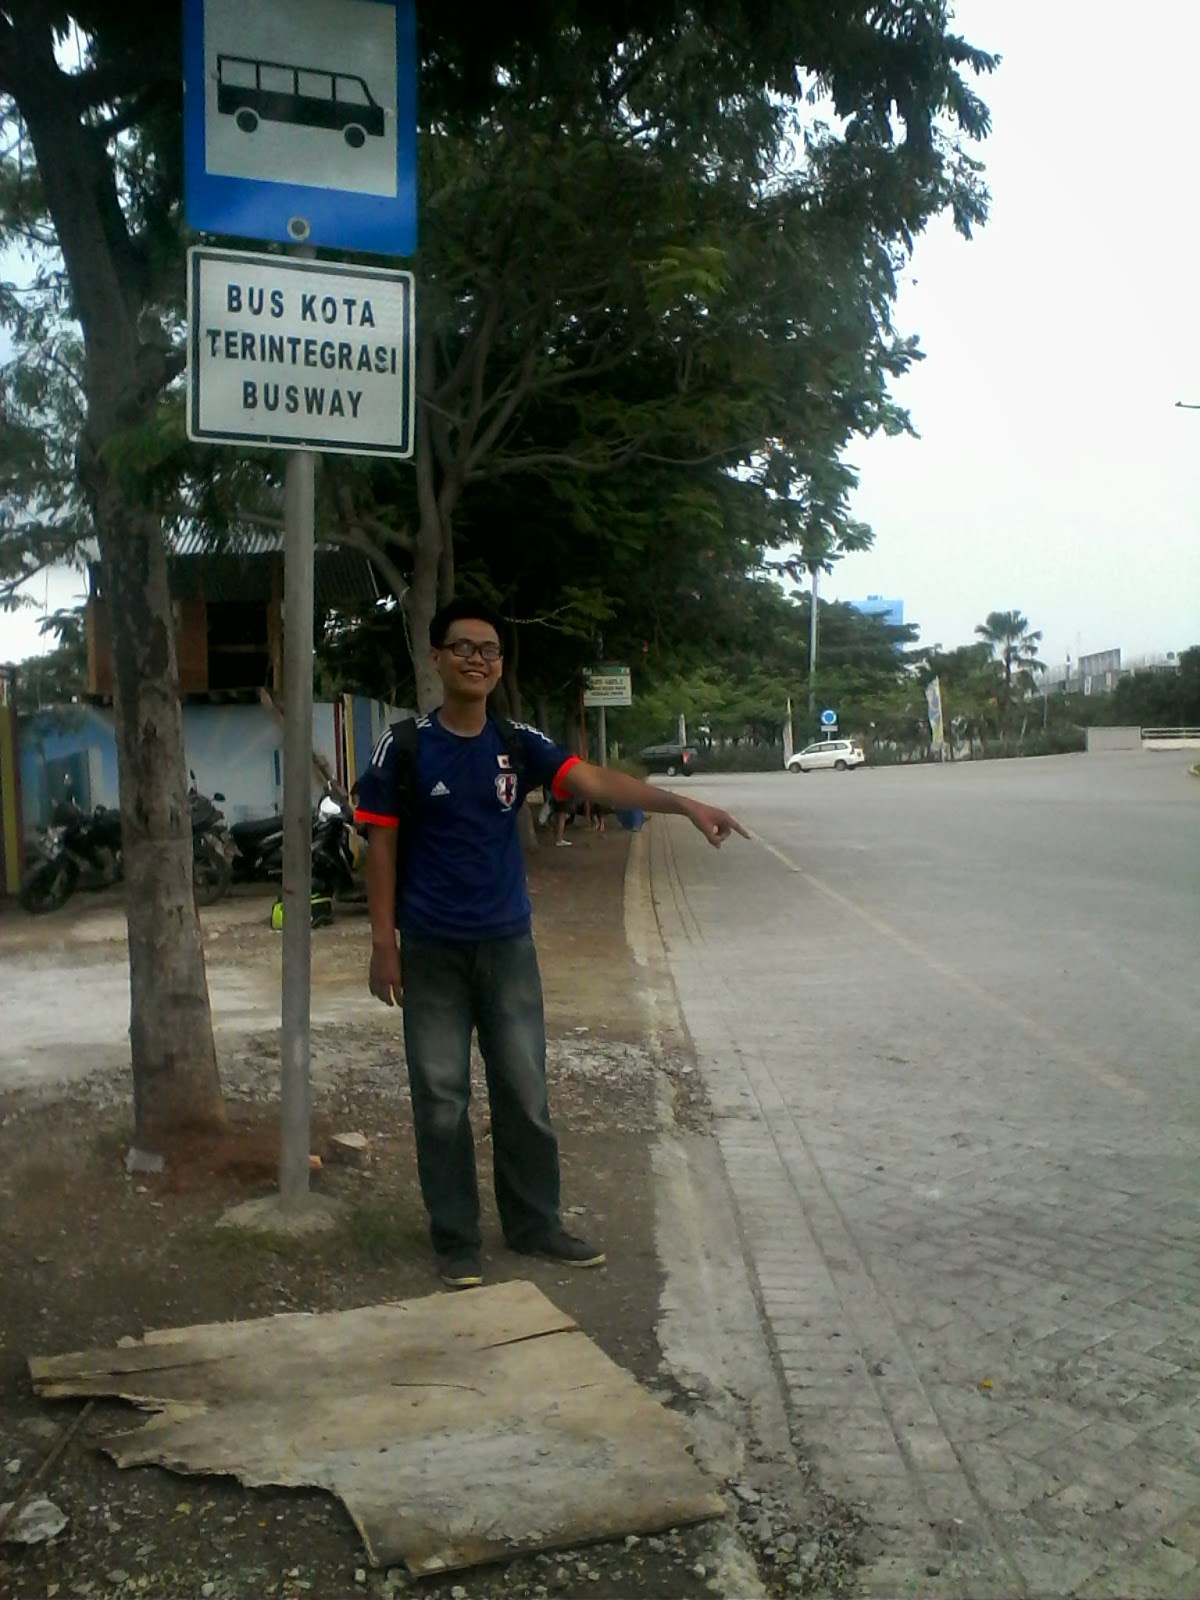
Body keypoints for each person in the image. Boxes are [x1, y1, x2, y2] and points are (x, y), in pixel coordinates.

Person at [354, 597, 748, 1289]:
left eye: (489, 651)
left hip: (507, 948)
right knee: (441, 1097)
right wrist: (382, 942)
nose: (477, 659)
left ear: (499, 665)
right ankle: (456, 1241)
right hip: (431, 949)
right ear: (437, 658)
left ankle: (535, 1224)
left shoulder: (518, 743)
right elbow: (380, 845)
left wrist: (683, 805)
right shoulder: (406, 745)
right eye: (463, 647)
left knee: (524, 1089)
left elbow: (592, 779)